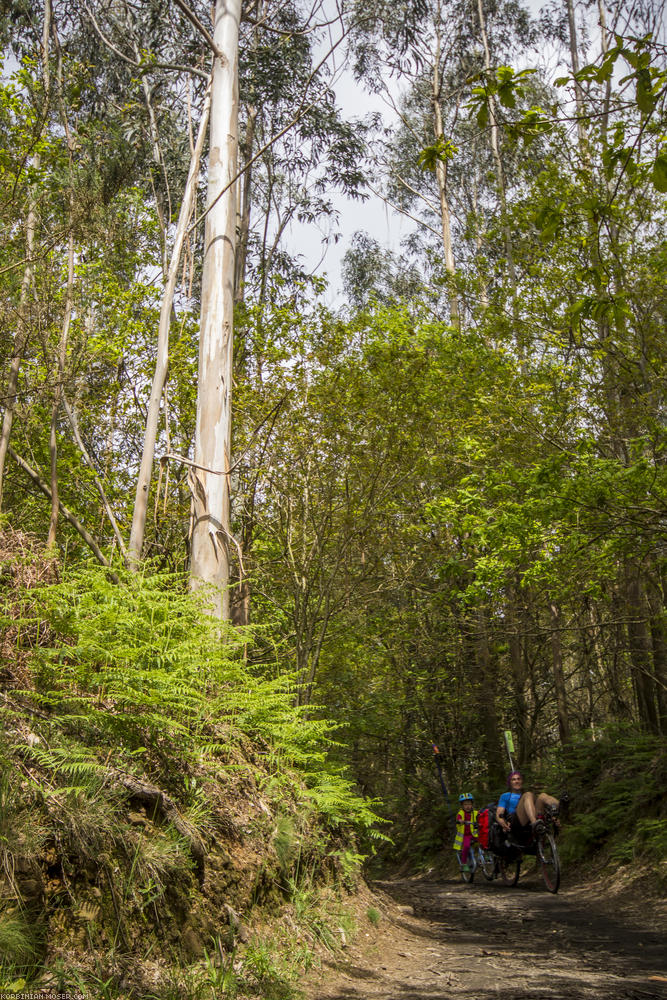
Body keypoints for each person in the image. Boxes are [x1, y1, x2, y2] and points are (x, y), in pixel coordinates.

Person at [496, 770, 559, 842]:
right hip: (517, 823)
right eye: (513, 779)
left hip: (532, 818)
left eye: (518, 779)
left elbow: (538, 807)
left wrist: (553, 818)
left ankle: (560, 806)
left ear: (521, 781)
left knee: (542, 796)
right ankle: (535, 823)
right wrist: (502, 823)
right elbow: (499, 813)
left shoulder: (526, 795)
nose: (517, 781)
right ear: (510, 783)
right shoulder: (505, 796)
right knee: (528, 795)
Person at [453, 792, 478, 871]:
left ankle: (486, 855)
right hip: (465, 835)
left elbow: (481, 816)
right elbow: (459, 818)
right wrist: (461, 821)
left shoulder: (475, 813)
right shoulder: (461, 813)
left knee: (484, 841)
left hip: (474, 834)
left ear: (472, 804)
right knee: (466, 846)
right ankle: (463, 863)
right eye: (465, 804)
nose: (467, 806)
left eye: (469, 804)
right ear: (462, 805)